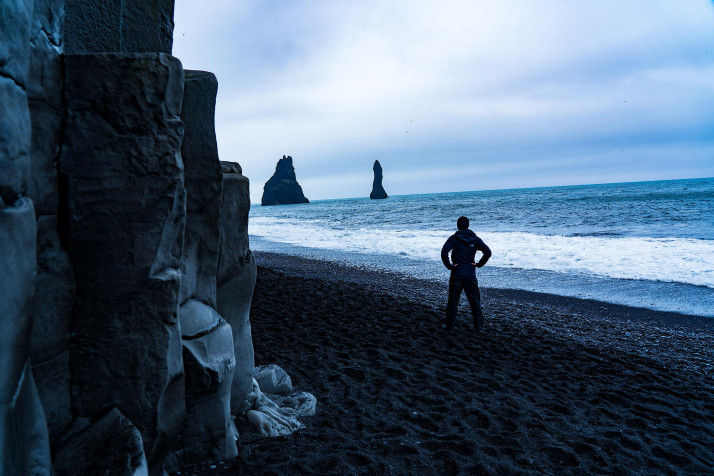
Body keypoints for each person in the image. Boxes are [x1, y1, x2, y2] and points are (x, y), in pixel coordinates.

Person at [440, 216, 492, 333]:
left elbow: (444, 253)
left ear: (458, 225)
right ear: (468, 226)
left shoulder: (454, 238)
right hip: (470, 274)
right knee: (475, 302)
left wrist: (450, 266)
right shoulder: (474, 239)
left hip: (457, 273)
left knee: (453, 301)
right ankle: (479, 328)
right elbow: (488, 252)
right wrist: (479, 264)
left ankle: (450, 327)